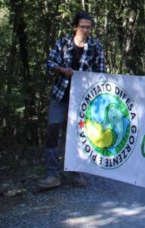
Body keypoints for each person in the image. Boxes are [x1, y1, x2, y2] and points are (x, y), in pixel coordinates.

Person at [37, 11, 106, 190]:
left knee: (77, 134)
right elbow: (49, 63)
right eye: (82, 26)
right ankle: (52, 174)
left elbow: (101, 72)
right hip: (60, 94)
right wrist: (61, 69)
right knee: (53, 132)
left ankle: (75, 172)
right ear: (75, 27)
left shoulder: (96, 46)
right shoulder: (63, 43)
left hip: (82, 99)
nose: (85, 30)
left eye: (88, 27)